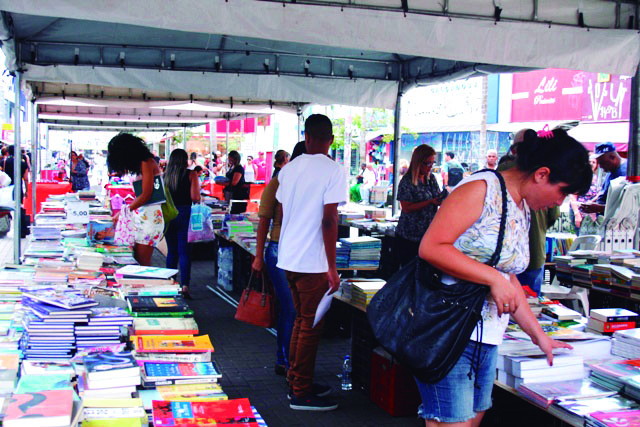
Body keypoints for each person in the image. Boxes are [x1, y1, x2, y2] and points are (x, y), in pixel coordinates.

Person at [416, 128, 592, 426]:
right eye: (562, 190)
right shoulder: (481, 189)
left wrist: (540, 337)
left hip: (488, 335)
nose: (559, 202)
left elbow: (507, 278)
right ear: (541, 174)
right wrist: (493, 279)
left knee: (469, 420)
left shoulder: (521, 206)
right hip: (447, 331)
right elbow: (431, 247)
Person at [276, 114, 347, 411]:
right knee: (309, 326)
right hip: (313, 262)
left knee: (301, 322)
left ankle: (297, 380)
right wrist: (332, 267)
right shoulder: (334, 170)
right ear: (330, 140)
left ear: (306, 137)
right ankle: (300, 391)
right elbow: (330, 220)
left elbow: (282, 212)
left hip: (288, 257)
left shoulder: (288, 169)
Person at [498, 129, 559, 296]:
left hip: (506, 253)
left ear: (514, 150)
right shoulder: (547, 171)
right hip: (533, 250)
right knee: (531, 303)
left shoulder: (503, 170)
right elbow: (553, 216)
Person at [251, 172, 296, 377]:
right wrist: (258, 256)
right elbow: (264, 221)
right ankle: (288, 364)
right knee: (291, 309)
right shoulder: (279, 182)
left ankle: (282, 360)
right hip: (280, 249)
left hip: (296, 251)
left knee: (289, 310)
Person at [108, 133, 165, 266]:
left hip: (149, 220)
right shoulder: (143, 164)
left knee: (142, 264)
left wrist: (124, 211)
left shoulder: (146, 163)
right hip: (144, 218)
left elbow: (146, 194)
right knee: (139, 262)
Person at [395, 144, 446, 265]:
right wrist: (430, 202)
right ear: (418, 162)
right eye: (427, 163)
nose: (430, 167)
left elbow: (436, 196)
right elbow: (406, 208)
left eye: (432, 163)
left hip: (427, 234)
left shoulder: (431, 179)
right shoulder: (407, 181)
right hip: (409, 236)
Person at [164, 149, 200, 298]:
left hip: (168, 215)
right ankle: (185, 286)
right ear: (185, 160)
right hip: (185, 213)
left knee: (171, 251)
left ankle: (170, 283)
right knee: (184, 252)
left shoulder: (164, 176)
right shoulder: (191, 174)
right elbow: (195, 197)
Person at [580, 142, 627, 215]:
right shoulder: (611, 169)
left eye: (602, 163)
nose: (600, 167)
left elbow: (624, 205)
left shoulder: (625, 173)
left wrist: (600, 208)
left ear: (612, 157)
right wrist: (592, 201)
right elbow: (604, 191)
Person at [569, 154, 599, 234]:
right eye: (590, 162)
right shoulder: (579, 177)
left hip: (592, 214)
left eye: (594, 162)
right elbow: (572, 197)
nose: (592, 164)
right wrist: (577, 214)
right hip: (580, 213)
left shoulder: (597, 178)